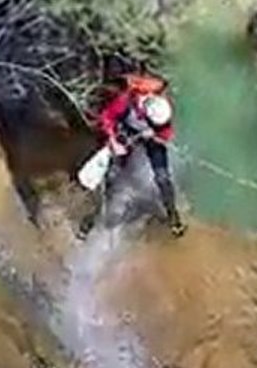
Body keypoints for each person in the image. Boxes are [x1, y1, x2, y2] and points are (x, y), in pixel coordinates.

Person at [77, 59, 186, 239]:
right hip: (126, 133)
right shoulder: (126, 102)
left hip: (151, 137)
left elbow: (166, 134)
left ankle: (174, 218)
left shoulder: (161, 112)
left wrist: (155, 135)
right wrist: (114, 142)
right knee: (111, 179)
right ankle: (89, 220)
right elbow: (107, 119)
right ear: (144, 111)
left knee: (163, 179)